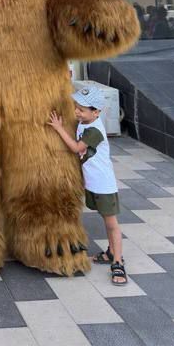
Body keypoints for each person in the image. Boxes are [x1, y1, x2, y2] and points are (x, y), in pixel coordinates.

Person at [48, 85, 127, 286]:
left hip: (103, 185)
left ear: (96, 112)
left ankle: (118, 262)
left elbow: (76, 148)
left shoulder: (94, 131)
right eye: (76, 107)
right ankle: (110, 253)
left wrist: (58, 128)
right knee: (106, 221)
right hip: (93, 183)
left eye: (81, 110)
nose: (76, 112)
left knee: (112, 224)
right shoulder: (85, 122)